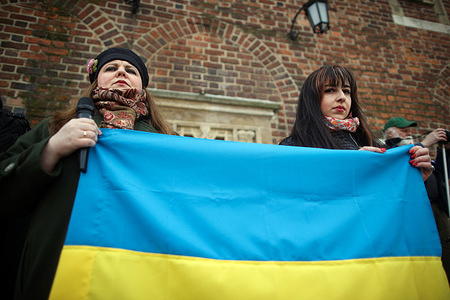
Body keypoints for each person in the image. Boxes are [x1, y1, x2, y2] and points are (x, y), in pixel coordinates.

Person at [0, 47, 176, 299]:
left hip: (135, 265)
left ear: (143, 87)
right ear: (96, 81)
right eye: (111, 68)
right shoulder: (55, 127)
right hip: (58, 265)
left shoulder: (166, 141)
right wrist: (50, 150)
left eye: (131, 70)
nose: (121, 73)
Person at [279, 65, 433, 182]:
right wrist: (352, 167)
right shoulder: (292, 147)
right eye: (330, 90)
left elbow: (391, 196)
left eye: (346, 91)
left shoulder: (372, 143)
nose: (342, 97)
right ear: (312, 99)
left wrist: (417, 178)